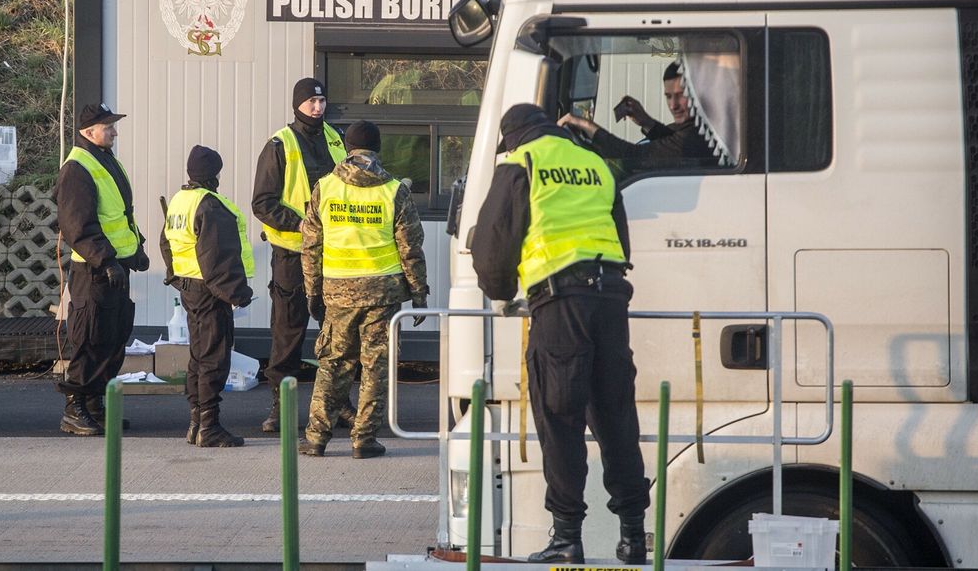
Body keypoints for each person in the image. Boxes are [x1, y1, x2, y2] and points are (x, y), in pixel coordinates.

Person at [471, 103, 650, 564]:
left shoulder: (521, 163)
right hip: (611, 298)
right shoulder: (594, 163)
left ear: (512, 137)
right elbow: (621, 241)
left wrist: (503, 291)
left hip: (561, 301)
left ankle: (568, 538)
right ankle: (633, 534)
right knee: (616, 415)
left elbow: (494, 248)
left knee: (560, 416)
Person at [297, 121, 429, 459]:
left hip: (338, 293)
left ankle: (316, 438)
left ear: (347, 148)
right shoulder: (394, 190)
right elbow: (410, 247)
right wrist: (418, 292)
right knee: (375, 366)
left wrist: (311, 292)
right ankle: (364, 439)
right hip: (382, 294)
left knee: (333, 365)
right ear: (378, 148)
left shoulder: (325, 188)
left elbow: (311, 246)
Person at [252, 77, 355, 433]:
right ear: (297, 104)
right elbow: (262, 203)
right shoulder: (280, 144)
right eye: (311, 102)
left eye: (322, 100)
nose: (317, 107)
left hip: (334, 254)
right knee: (287, 334)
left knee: (337, 333)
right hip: (292, 255)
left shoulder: (335, 139)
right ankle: (280, 408)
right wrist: (302, 225)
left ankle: (340, 404)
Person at [54, 102, 150, 435]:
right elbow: (76, 225)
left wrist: (137, 250)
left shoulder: (105, 161)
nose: (114, 131)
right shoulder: (77, 168)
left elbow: (120, 216)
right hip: (94, 272)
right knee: (89, 338)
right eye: (108, 126)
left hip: (116, 268)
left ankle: (94, 403)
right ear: (88, 131)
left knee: (113, 338)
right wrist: (105, 260)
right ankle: (74, 407)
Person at [161, 145, 255, 448]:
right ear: (215, 174)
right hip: (210, 290)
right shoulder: (209, 205)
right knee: (214, 357)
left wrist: (175, 277)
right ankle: (210, 426)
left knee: (199, 356)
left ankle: (196, 422)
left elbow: (167, 244)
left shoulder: (179, 201)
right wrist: (238, 293)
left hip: (190, 288)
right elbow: (218, 256)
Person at [558, 61, 716, 170]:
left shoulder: (698, 136)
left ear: (698, 94)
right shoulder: (699, 128)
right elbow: (673, 139)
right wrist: (645, 121)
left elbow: (633, 157)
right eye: (668, 96)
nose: (673, 105)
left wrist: (587, 126)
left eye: (681, 95)